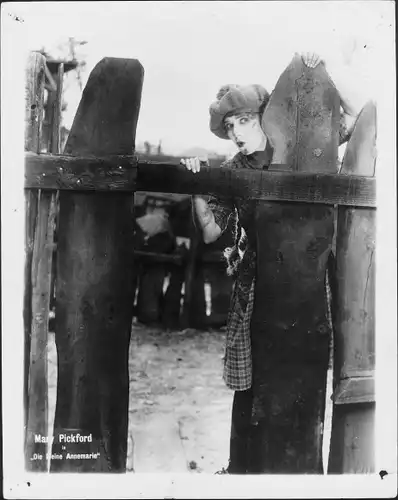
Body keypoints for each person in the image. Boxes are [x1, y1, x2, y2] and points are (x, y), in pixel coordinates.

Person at [181, 52, 361, 474]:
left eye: (243, 121)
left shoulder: (303, 148)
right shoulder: (233, 170)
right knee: (251, 388)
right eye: (229, 127)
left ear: (265, 116)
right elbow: (210, 231)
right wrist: (197, 184)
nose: (236, 133)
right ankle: (244, 468)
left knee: (299, 383)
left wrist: (325, 69)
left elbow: (359, 117)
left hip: (305, 293)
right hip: (255, 292)